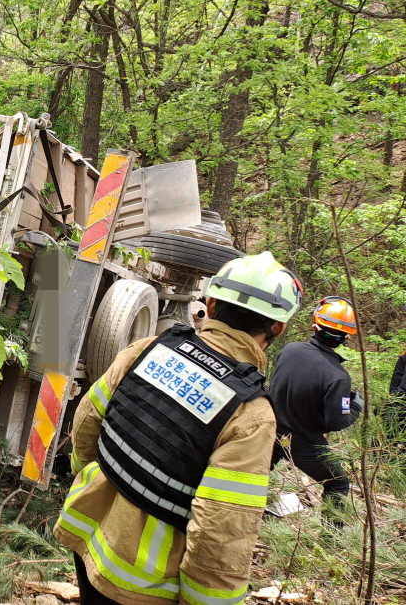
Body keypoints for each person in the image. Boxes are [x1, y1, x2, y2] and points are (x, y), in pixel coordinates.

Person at [54, 252, 302, 605]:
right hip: (143, 583)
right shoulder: (250, 414)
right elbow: (221, 527)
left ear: (212, 303)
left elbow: (87, 419)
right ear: (277, 328)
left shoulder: (147, 348)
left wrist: (93, 477)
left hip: (87, 530)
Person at [269, 296, 362, 509]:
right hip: (304, 443)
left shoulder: (289, 350)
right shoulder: (338, 376)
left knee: (258, 473)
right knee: (338, 484)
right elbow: (336, 422)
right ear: (346, 338)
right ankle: (330, 539)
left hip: (270, 429)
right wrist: (355, 405)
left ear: (314, 326)